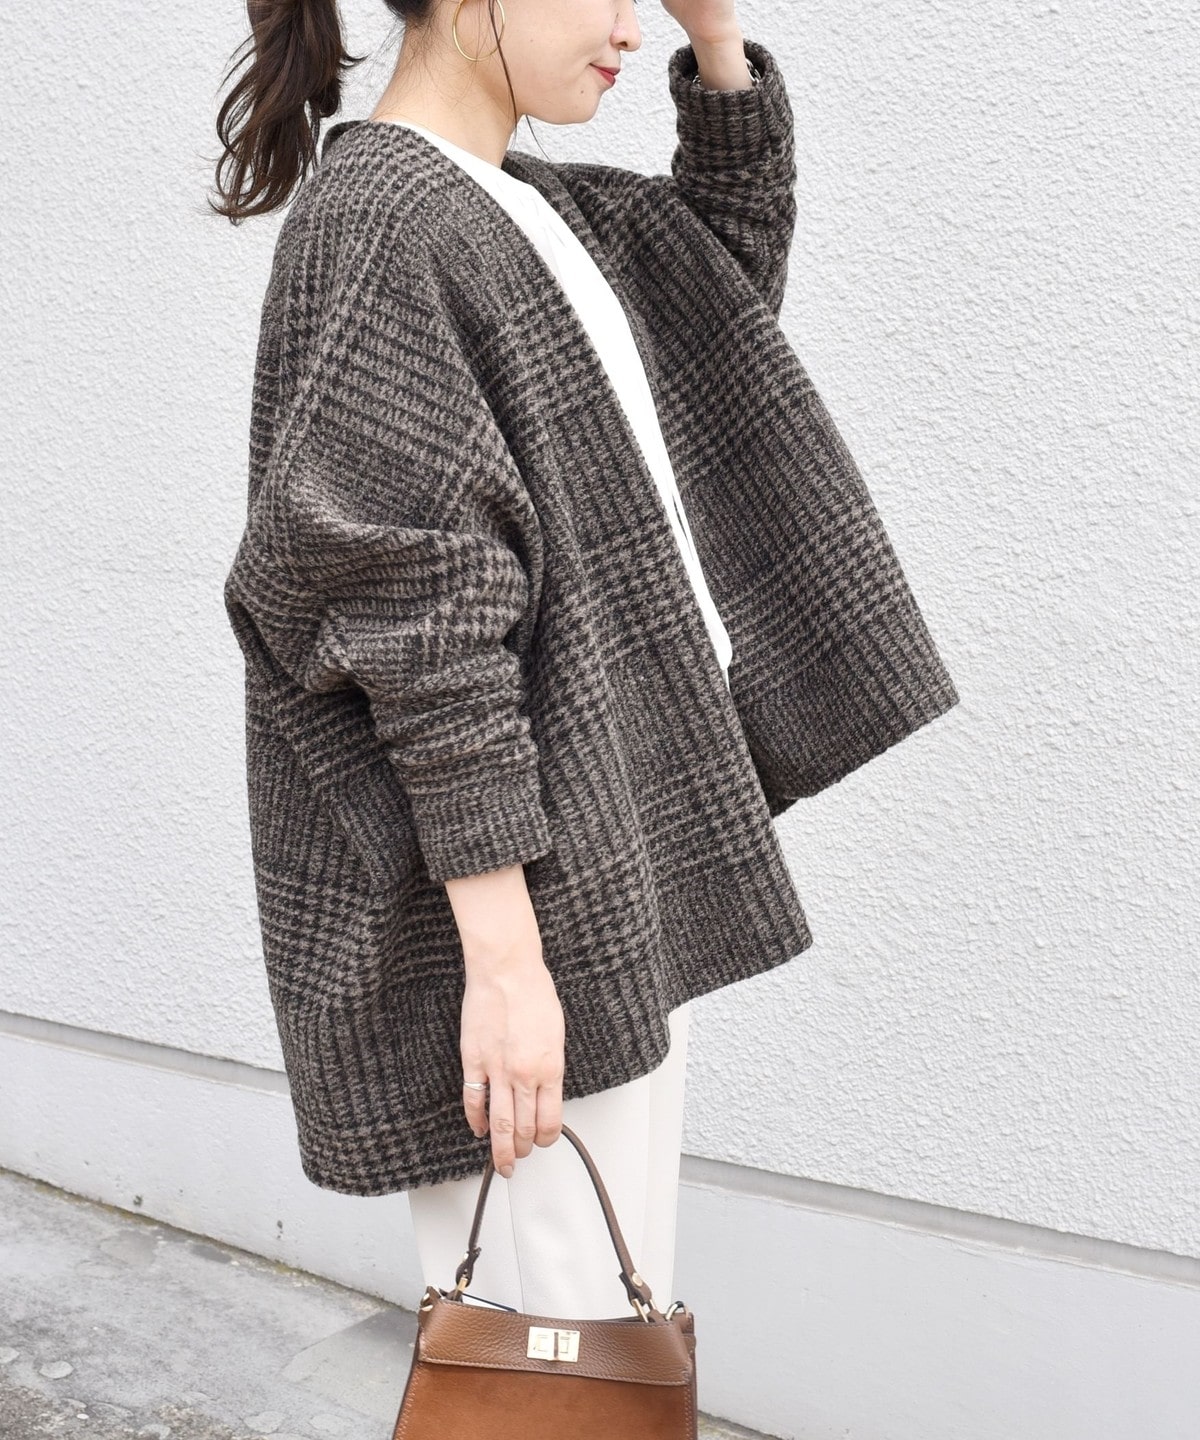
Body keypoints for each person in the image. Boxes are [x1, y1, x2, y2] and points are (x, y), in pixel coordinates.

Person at [213, 0, 960, 1323]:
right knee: (552, 1344)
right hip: (512, 915)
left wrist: (715, 43)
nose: (628, 23)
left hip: (588, 868)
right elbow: (417, 622)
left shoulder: (522, 203)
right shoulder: (384, 220)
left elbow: (721, 294)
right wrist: (505, 967)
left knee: (599, 1339)